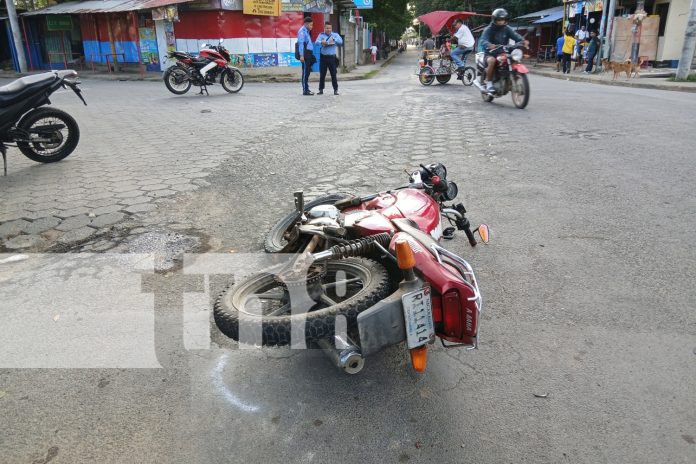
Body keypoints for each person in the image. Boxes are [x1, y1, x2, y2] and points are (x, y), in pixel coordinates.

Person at [478, 8, 528, 93]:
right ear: (494, 20)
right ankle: (489, 83)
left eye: (503, 19)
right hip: (490, 53)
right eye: (499, 20)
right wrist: (489, 45)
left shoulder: (506, 28)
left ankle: (508, 80)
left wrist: (523, 41)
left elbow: (515, 35)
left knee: (512, 59)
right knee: (492, 61)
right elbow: (483, 40)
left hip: (502, 52)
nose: (501, 22)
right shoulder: (489, 29)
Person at [316, 22, 343, 95]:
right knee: (322, 74)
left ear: (331, 28)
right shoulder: (321, 35)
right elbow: (316, 42)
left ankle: (335, 90)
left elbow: (341, 42)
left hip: (332, 58)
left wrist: (334, 40)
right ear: (324, 28)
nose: (328, 29)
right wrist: (322, 42)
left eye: (329, 28)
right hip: (323, 57)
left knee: (333, 74)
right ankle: (321, 89)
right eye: (327, 28)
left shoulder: (335, 35)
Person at [297, 17, 315, 95]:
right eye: (311, 25)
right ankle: (305, 90)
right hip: (305, 54)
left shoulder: (306, 31)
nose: (312, 27)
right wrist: (301, 55)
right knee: (305, 72)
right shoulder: (302, 32)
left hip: (309, 53)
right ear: (306, 24)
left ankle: (307, 88)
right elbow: (301, 44)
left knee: (307, 71)